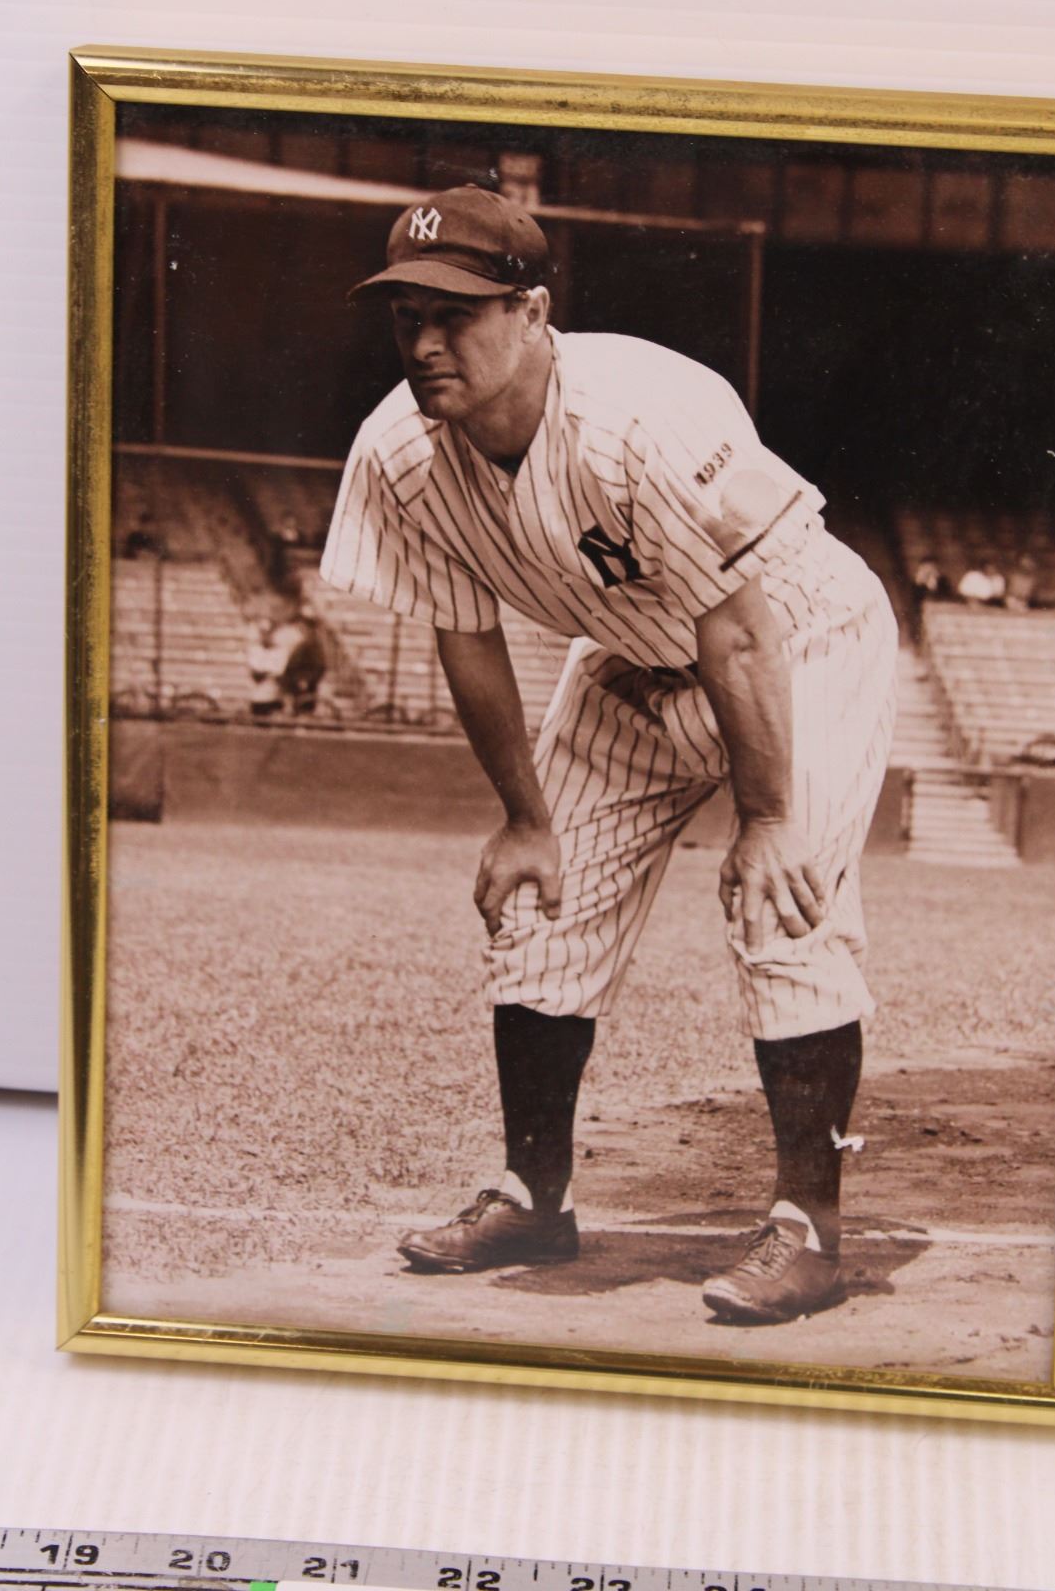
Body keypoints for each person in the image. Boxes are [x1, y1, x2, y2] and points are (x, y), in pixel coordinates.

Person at [321, 186, 898, 1326]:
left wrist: (767, 817)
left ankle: (807, 1232)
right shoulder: (396, 451)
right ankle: (534, 1196)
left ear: (533, 313)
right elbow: (464, 632)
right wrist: (525, 817)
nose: (426, 343)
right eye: (407, 317)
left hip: (796, 640)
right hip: (630, 660)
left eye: (456, 314)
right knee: (543, 911)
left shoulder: (644, 416)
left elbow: (739, 631)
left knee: (785, 910)